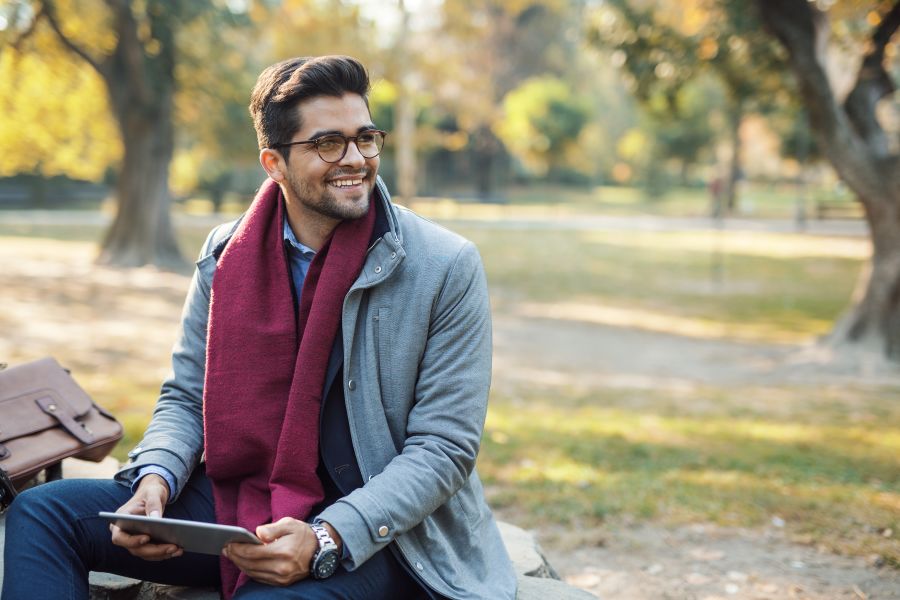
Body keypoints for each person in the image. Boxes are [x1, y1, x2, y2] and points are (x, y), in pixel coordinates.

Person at [2, 55, 516, 600]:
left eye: (366, 138)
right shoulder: (226, 253)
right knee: (42, 512)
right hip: (242, 501)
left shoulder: (445, 264)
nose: (356, 159)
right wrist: (155, 481)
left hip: (381, 530)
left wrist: (325, 535)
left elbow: (443, 448)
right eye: (327, 144)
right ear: (274, 163)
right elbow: (186, 395)